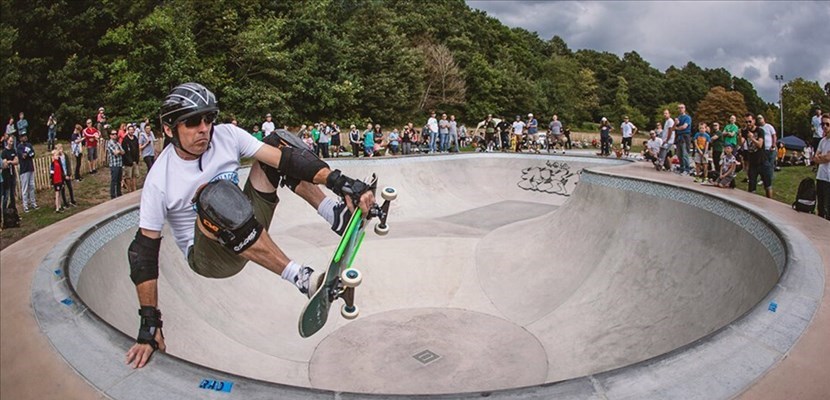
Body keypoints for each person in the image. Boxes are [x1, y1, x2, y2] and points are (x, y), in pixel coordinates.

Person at [123, 83, 375, 369]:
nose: (204, 129)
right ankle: (301, 278)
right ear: (169, 130)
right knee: (212, 195)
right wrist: (149, 325)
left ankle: (334, 214)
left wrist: (341, 182)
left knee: (278, 142)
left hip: (247, 219)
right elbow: (143, 253)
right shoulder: (159, 181)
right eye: (192, 122)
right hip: (211, 256)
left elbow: (288, 159)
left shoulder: (228, 136)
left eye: (209, 118)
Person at [743, 113, 772, 198]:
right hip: (752, 162)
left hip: (762, 161)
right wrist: (740, 135)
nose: (748, 124)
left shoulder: (760, 131)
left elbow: (759, 145)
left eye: (750, 121)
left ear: (754, 121)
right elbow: (741, 142)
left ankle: (770, 202)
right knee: (751, 187)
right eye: (746, 122)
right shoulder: (745, 131)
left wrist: (752, 138)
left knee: (767, 186)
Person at [813, 113, 830, 219]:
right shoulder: (822, 141)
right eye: (822, 124)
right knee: (820, 207)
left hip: (829, 178)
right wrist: (822, 158)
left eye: (827, 124)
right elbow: (815, 158)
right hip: (821, 176)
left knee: (828, 208)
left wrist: (821, 158)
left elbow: (828, 158)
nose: (824, 127)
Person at [16, 132, 37, 212]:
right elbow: (23, 156)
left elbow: (33, 154)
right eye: (23, 136)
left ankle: (33, 203)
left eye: (25, 136)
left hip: (30, 167)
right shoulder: (19, 147)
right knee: (25, 188)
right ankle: (25, 206)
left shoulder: (29, 144)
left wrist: (28, 154)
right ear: (20, 138)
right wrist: (27, 154)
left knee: (32, 186)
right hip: (24, 169)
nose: (25, 137)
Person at [1, 136, 18, 212]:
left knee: (13, 194)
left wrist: (10, 161)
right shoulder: (4, 152)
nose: (11, 143)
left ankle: (13, 210)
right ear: (7, 141)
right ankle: (4, 211)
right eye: (10, 141)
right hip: (6, 175)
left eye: (12, 141)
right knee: (6, 195)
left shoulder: (14, 150)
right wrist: (11, 161)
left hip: (12, 174)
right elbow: (5, 164)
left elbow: (16, 161)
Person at [675, 104, 693, 175]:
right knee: (679, 154)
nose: (680, 109)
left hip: (685, 136)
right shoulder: (678, 117)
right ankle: (682, 168)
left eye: (682, 108)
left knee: (685, 153)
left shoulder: (687, 117)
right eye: (679, 108)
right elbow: (675, 126)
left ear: (684, 109)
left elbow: (684, 127)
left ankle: (687, 169)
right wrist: (676, 125)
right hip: (679, 136)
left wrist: (677, 128)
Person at [122, 125, 141, 193]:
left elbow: (137, 149)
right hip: (128, 162)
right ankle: (129, 190)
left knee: (134, 175)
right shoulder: (125, 140)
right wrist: (129, 161)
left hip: (135, 160)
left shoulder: (135, 138)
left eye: (132, 130)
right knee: (128, 176)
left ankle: (134, 188)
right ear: (128, 130)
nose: (131, 131)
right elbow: (124, 152)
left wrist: (137, 160)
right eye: (130, 130)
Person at [106, 130, 124, 199]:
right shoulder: (110, 143)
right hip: (114, 164)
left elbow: (123, 152)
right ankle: (113, 195)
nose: (115, 135)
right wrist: (119, 151)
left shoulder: (117, 143)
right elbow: (115, 153)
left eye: (116, 134)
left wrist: (119, 151)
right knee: (114, 180)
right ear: (110, 135)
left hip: (119, 163)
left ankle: (119, 193)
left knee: (119, 180)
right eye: (113, 134)